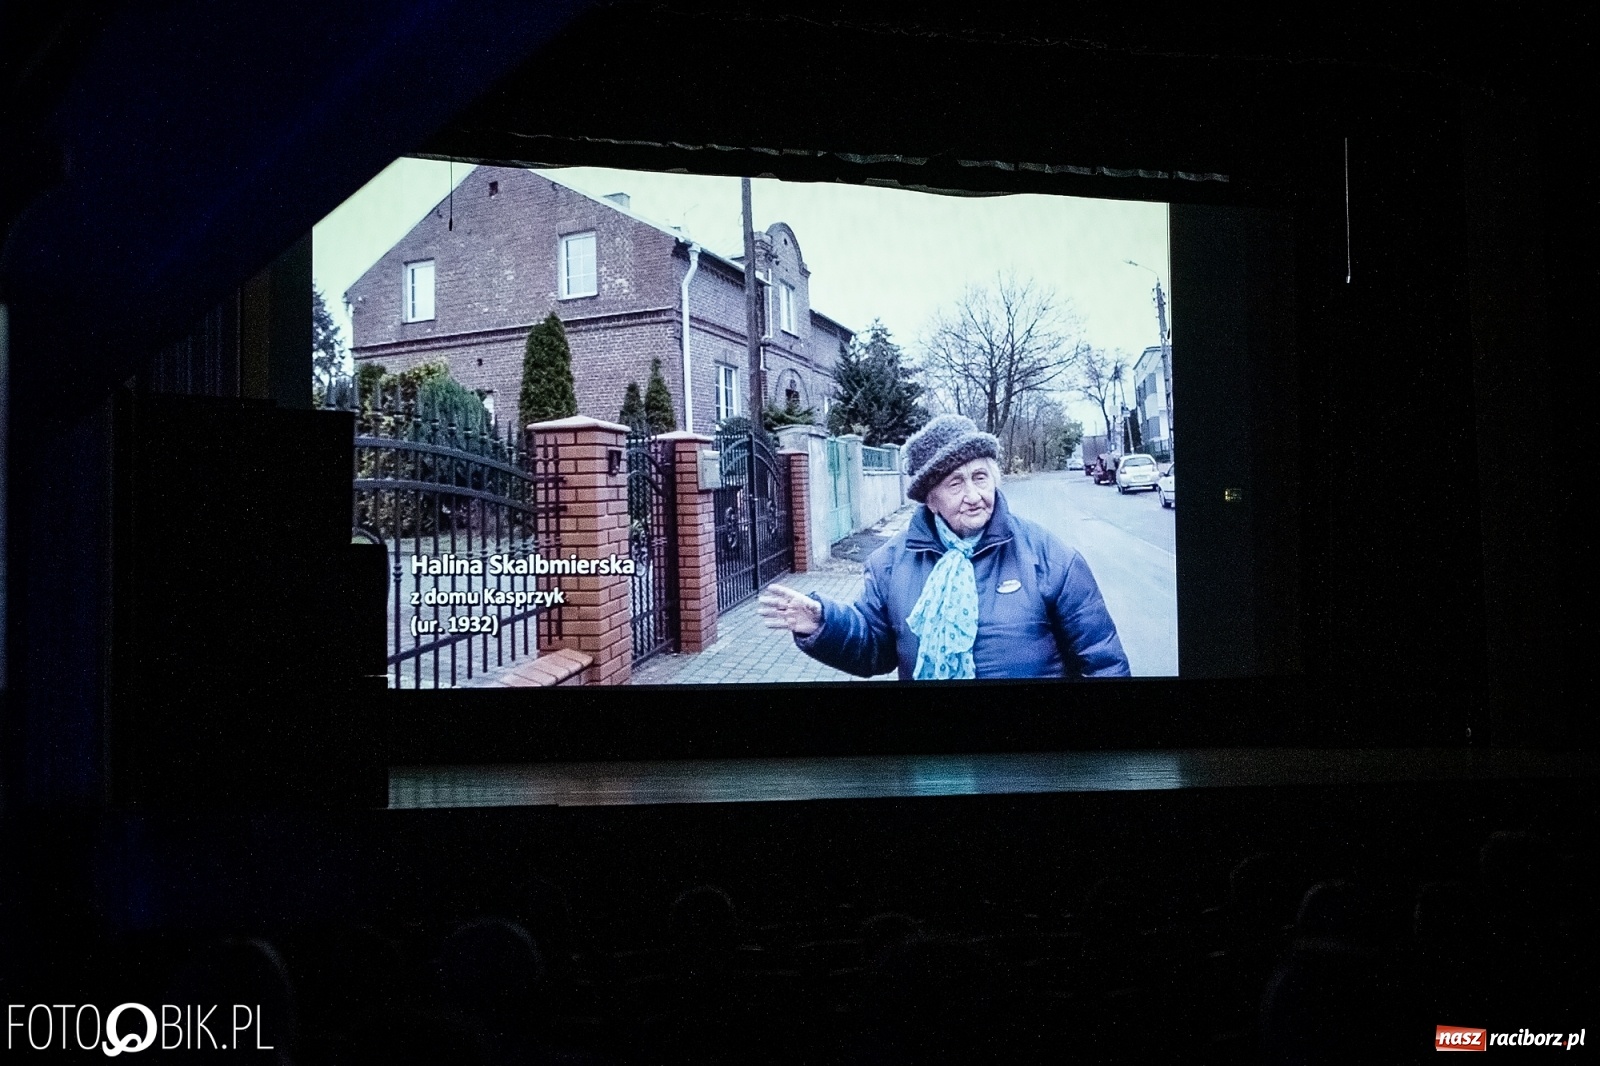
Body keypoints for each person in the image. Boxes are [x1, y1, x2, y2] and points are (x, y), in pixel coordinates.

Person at [759, 414, 1130, 680]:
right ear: (930, 499)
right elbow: (874, 649)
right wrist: (824, 623)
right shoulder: (890, 564)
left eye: (980, 477)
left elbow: (1103, 662)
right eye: (955, 484)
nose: (974, 496)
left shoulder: (1050, 557)